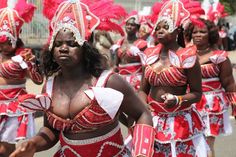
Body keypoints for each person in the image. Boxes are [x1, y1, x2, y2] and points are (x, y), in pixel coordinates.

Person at [10, 0, 155, 157]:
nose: (63, 48)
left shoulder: (108, 82)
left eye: (72, 43)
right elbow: (51, 130)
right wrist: (33, 144)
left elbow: (142, 113)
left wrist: (141, 152)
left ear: (85, 47)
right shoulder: (50, 86)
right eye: (58, 44)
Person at [139, 0, 209, 156]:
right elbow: (143, 90)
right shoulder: (149, 55)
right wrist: (145, 109)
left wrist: (177, 99)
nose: (160, 31)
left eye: (166, 27)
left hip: (180, 121)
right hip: (154, 119)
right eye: (158, 27)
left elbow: (197, 93)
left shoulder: (187, 57)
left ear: (177, 31)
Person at [186, 17, 236, 157]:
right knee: (191, 143)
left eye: (202, 32)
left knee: (207, 145)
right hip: (190, 102)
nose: (197, 35)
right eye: (195, 32)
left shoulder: (219, 57)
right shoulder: (185, 54)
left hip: (211, 105)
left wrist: (234, 106)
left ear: (211, 35)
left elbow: (229, 84)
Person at [0, 1, 43, 156]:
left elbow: (38, 80)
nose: (2, 47)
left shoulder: (22, 55)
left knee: (4, 150)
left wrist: (31, 63)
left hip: (13, 107)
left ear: (15, 37)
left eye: (6, 43)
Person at [111, 12, 147, 91]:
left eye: (132, 25)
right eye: (127, 24)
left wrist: (143, 87)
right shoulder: (119, 42)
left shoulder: (142, 44)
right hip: (121, 79)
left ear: (137, 28)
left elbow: (145, 67)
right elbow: (116, 65)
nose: (129, 27)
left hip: (136, 80)